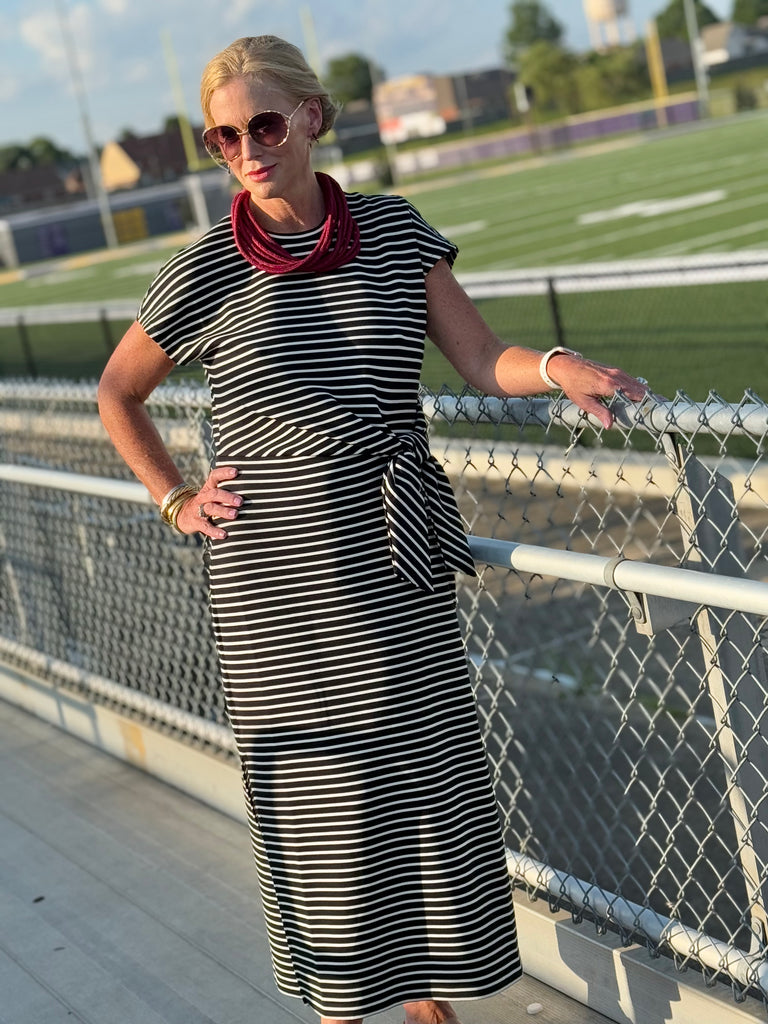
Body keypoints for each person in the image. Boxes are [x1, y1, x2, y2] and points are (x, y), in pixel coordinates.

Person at [97, 34, 647, 1024]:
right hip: (271, 582)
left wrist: (557, 367)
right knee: (322, 805)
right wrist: (175, 496)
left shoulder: (393, 230)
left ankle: (425, 995)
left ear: (312, 117)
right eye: (224, 138)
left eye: (265, 124)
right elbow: (117, 392)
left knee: (421, 783)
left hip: (393, 555)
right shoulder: (206, 268)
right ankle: (342, 1005)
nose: (247, 150)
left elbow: (480, 357)